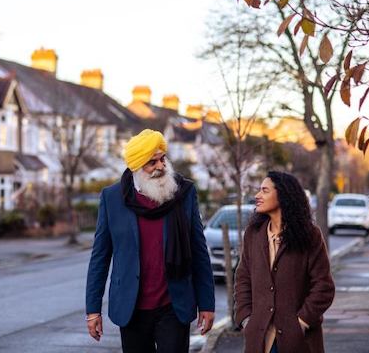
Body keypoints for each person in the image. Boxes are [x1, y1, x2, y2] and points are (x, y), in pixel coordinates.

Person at [85, 129, 215, 352]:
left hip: (173, 305)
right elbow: (100, 256)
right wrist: (92, 310)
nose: (160, 167)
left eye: (162, 158)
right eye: (151, 163)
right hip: (131, 308)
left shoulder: (183, 193)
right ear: (136, 168)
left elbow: (199, 251)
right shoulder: (112, 198)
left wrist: (207, 304)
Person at [234, 171, 335, 353]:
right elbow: (243, 278)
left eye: (264, 191)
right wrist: (245, 318)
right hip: (259, 339)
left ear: (283, 195)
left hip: (297, 341)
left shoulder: (310, 236)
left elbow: (324, 287)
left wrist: (301, 323)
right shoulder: (253, 234)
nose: (257, 196)